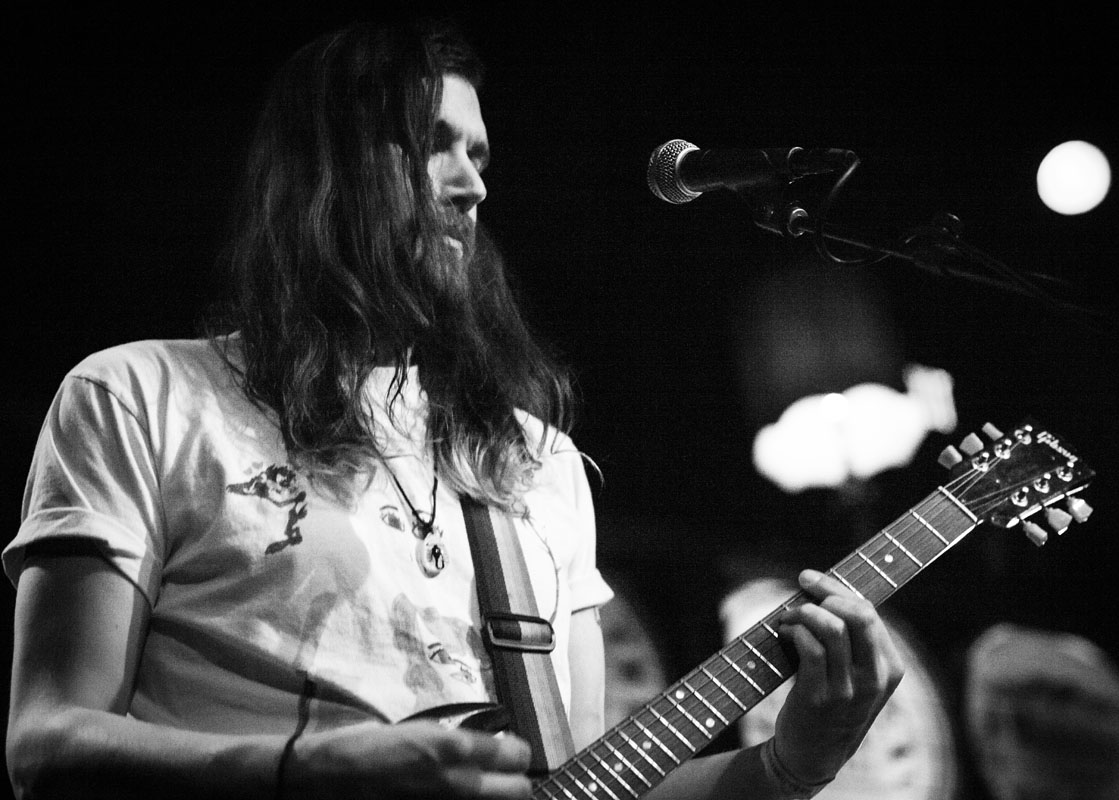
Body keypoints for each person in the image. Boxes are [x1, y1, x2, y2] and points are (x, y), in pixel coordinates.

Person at [4, 17, 903, 800]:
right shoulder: (137, 395)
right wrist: (307, 771)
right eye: (430, 141)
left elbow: (590, 782)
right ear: (326, 164)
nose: (471, 186)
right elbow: (46, 744)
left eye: (479, 154)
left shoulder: (537, 461)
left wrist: (793, 764)